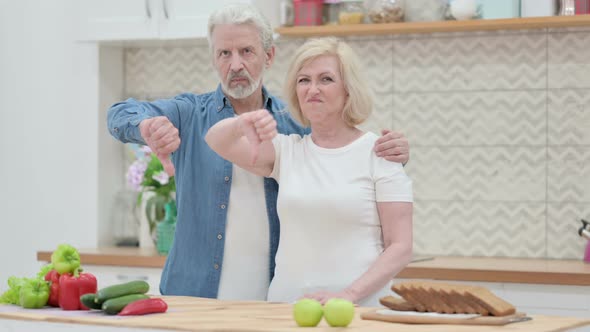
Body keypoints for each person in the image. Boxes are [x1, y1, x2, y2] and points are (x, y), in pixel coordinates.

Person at [107, 4, 410, 301]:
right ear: (213, 59)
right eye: (224, 53)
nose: (235, 64)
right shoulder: (188, 115)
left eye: (246, 51)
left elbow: (337, 154)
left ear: (269, 56)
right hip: (193, 294)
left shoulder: (294, 124)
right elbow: (119, 114)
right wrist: (146, 126)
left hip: (268, 297)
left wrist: (390, 155)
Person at [205, 37, 413, 307]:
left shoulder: (380, 153)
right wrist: (242, 123)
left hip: (357, 312)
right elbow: (215, 140)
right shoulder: (287, 151)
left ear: (349, 90)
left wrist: (348, 296)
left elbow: (401, 247)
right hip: (287, 309)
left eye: (326, 79)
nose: (312, 89)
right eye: (304, 80)